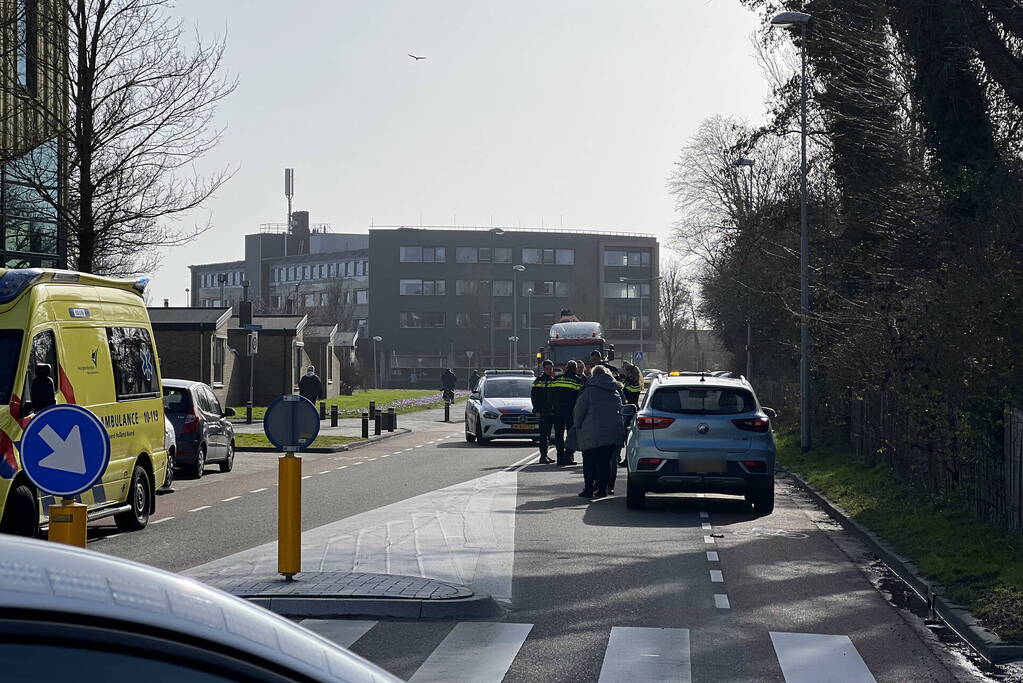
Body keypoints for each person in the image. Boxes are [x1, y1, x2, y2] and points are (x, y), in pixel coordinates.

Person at [573, 365, 626, 499]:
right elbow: (621, 409)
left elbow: (579, 410)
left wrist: (577, 425)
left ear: (593, 375)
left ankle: (589, 489)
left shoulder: (588, 390)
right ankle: (602, 489)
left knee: (589, 461)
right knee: (605, 462)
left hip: (591, 431)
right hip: (611, 432)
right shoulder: (615, 389)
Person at [550, 360, 584, 466]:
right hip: (571, 412)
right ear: (575, 369)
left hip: (558, 411)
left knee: (559, 435)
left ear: (566, 368)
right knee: (571, 435)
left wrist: (552, 409)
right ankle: (568, 456)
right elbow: (580, 398)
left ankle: (560, 457)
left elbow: (550, 396)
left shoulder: (556, 379)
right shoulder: (578, 381)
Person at [530, 360, 558, 464]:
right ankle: (542, 456)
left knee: (548, 435)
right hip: (542, 411)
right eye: (547, 368)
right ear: (543, 369)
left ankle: (545, 455)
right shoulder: (538, 381)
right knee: (543, 435)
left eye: (551, 368)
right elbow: (534, 397)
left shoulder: (553, 380)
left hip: (551, 411)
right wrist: (536, 410)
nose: (550, 370)